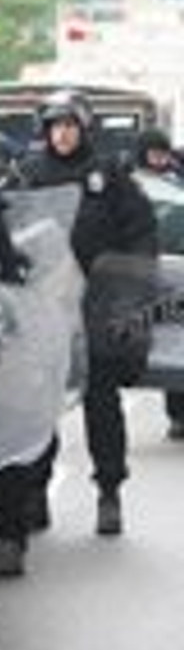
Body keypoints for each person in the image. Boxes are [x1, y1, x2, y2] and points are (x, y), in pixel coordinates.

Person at [0, 89, 157, 562]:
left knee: (101, 402)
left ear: (84, 129)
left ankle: (109, 491)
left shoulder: (111, 177)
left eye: (70, 126)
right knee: (39, 404)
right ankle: (33, 493)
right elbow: (6, 228)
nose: (62, 134)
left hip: (98, 305)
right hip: (48, 304)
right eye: (55, 126)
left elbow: (141, 234)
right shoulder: (27, 175)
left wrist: (127, 289)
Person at [131, 126, 184, 438]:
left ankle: (179, 413)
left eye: (163, 154)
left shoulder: (176, 185)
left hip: (177, 273)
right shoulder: (129, 186)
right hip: (142, 273)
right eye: (154, 154)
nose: (159, 159)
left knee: (178, 340)